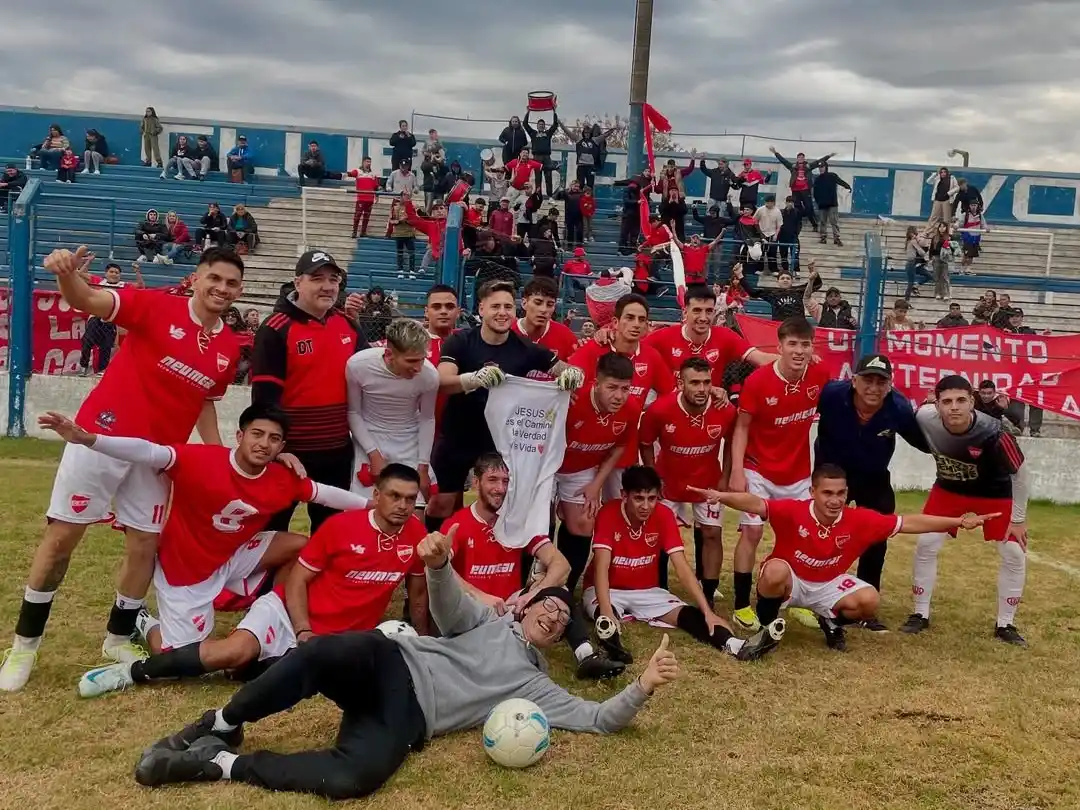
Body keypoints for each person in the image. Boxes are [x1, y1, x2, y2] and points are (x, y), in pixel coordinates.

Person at [132, 524, 679, 799]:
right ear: (526, 604)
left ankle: (218, 766)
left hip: (409, 719)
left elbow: (600, 719)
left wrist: (644, 687)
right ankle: (221, 726)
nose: (555, 618)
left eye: (561, 621)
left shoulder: (537, 690)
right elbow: (448, 605)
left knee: (356, 779)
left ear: (557, 641)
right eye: (549, 606)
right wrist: (439, 566)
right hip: (390, 661)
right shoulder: (490, 623)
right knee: (321, 650)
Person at [0, 246, 244, 692]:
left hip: (154, 456)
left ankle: (118, 636)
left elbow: (205, 402)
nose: (222, 289)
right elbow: (87, 301)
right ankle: (24, 645)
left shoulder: (228, 346)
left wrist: (217, 457)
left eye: (231, 283)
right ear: (195, 278)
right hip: (98, 437)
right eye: (215, 278)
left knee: (143, 547)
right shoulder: (154, 306)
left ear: (239, 290)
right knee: (60, 542)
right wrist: (66, 275)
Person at [35, 404, 366, 696]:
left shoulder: (282, 477)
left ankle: (268, 616)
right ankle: (143, 620)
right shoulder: (200, 459)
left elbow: (325, 494)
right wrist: (89, 439)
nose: (264, 444)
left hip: (234, 555)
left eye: (274, 439)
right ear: (239, 435)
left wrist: (372, 507)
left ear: (282, 446)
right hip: (187, 570)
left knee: (300, 547)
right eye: (257, 434)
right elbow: (146, 452)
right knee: (180, 661)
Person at [691, 463, 1001, 652]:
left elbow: (910, 522)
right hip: (792, 582)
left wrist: (957, 522)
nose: (835, 500)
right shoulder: (793, 510)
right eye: (827, 493)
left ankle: (830, 621)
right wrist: (721, 496)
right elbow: (756, 503)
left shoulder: (860, 519)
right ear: (813, 492)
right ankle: (769, 626)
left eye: (840, 493)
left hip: (828, 585)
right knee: (773, 572)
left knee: (869, 601)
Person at [425, 281, 584, 533]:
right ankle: (433, 559)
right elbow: (442, 381)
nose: (502, 312)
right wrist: (474, 378)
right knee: (441, 505)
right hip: (457, 435)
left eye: (508, 307)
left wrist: (573, 375)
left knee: (495, 505)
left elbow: (566, 369)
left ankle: (489, 560)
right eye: (495, 306)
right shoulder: (461, 341)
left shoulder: (526, 349)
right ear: (481, 309)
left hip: (499, 442)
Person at [446, 453, 621, 679]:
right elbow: (439, 569)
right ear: (476, 482)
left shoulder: (517, 522)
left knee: (559, 592)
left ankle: (586, 656)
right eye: (493, 480)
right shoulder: (457, 523)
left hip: (511, 607)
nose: (500, 488)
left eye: (506, 481)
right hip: (473, 609)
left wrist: (534, 593)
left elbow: (561, 565)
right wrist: (480, 595)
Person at [587, 464, 784, 662]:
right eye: (639, 498)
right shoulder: (608, 513)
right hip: (607, 590)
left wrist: (707, 611)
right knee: (605, 618)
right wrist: (605, 609)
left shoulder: (664, 515)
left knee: (690, 615)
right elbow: (601, 567)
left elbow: (681, 567)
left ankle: (737, 646)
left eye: (652, 498)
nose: (646, 506)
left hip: (646, 590)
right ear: (624, 495)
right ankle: (614, 651)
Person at [901, 376, 1031, 646]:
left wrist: (1018, 520)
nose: (954, 407)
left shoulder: (994, 432)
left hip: (993, 494)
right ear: (935, 405)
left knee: (1014, 552)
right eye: (946, 401)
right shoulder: (924, 417)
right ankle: (919, 613)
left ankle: (1005, 623)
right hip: (949, 489)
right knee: (926, 543)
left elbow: (1021, 475)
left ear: (972, 401)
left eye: (961, 400)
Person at [251, 250, 368, 534]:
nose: (327, 286)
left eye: (333, 279)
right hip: (291, 454)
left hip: (337, 452)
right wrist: (276, 450)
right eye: (317, 278)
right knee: (272, 532)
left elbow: (370, 379)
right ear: (298, 283)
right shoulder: (275, 329)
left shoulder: (348, 324)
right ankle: (268, 581)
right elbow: (265, 399)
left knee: (330, 532)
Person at [727, 317, 831, 631]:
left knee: (800, 537)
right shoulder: (758, 381)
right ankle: (742, 605)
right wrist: (736, 471)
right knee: (752, 533)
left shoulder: (820, 374)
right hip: (757, 467)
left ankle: (793, 600)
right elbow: (741, 428)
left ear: (812, 347)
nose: (799, 351)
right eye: (793, 344)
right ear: (781, 346)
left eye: (805, 344)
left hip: (798, 471)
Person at [813, 354, 930, 631]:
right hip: (832, 474)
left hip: (873, 476)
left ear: (890, 385)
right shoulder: (830, 395)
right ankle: (814, 597)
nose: (873, 388)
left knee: (877, 535)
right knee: (820, 532)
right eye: (867, 380)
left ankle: (866, 607)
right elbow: (794, 407)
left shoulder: (898, 408)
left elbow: (926, 443)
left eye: (881, 381)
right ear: (854, 381)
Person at [639, 358, 737, 608]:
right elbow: (646, 443)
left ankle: (708, 591)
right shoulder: (659, 410)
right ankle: (659, 587)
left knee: (712, 534)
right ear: (680, 383)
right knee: (661, 537)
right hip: (668, 484)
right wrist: (653, 478)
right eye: (694, 383)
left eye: (706, 382)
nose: (702, 389)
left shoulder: (724, 410)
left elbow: (731, 443)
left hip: (708, 483)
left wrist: (725, 478)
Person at [570, 293, 673, 502]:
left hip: (621, 451)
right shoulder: (593, 349)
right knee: (581, 518)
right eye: (629, 318)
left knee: (617, 510)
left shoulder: (651, 357)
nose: (636, 324)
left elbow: (670, 397)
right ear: (615, 322)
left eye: (641, 320)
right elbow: (568, 383)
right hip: (582, 451)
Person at [555, 353, 639, 592]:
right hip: (548, 466)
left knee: (584, 522)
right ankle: (532, 583)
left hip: (580, 469)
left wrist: (596, 485)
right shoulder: (572, 399)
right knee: (540, 523)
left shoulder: (631, 408)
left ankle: (565, 589)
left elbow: (619, 447)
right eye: (612, 388)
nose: (619, 396)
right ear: (596, 382)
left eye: (625, 389)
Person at [346, 319, 439, 509]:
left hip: (409, 439)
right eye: (411, 361)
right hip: (369, 437)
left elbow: (427, 418)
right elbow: (354, 412)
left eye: (422, 359)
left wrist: (423, 465)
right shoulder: (358, 365)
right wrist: (373, 454)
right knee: (371, 509)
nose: (418, 368)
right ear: (389, 354)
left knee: (413, 509)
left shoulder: (430, 375)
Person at [644, 285, 772, 390]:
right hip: (671, 411)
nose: (703, 317)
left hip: (710, 409)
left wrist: (789, 360)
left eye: (709, 311)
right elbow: (633, 355)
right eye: (697, 310)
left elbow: (759, 358)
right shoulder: (663, 337)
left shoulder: (724, 335)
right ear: (685, 312)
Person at [510, 276, 580, 361]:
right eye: (538, 303)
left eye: (550, 305)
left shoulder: (566, 337)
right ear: (524, 303)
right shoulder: (507, 333)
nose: (544, 310)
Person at [737, 264, 822, 321]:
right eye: (782, 278)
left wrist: (813, 272)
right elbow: (753, 292)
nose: (785, 280)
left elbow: (817, 284)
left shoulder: (799, 290)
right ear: (777, 281)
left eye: (788, 278)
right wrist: (740, 275)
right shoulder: (772, 293)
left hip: (798, 328)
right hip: (779, 328)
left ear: (792, 281)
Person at [347, 156, 379, 238]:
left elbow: (376, 186)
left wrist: (377, 196)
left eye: (369, 162)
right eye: (367, 161)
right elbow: (351, 174)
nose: (368, 163)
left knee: (366, 216)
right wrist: (346, 174)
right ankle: (354, 232)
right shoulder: (358, 171)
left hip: (370, 199)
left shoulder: (373, 174)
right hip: (361, 198)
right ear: (363, 162)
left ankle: (363, 232)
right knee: (357, 215)